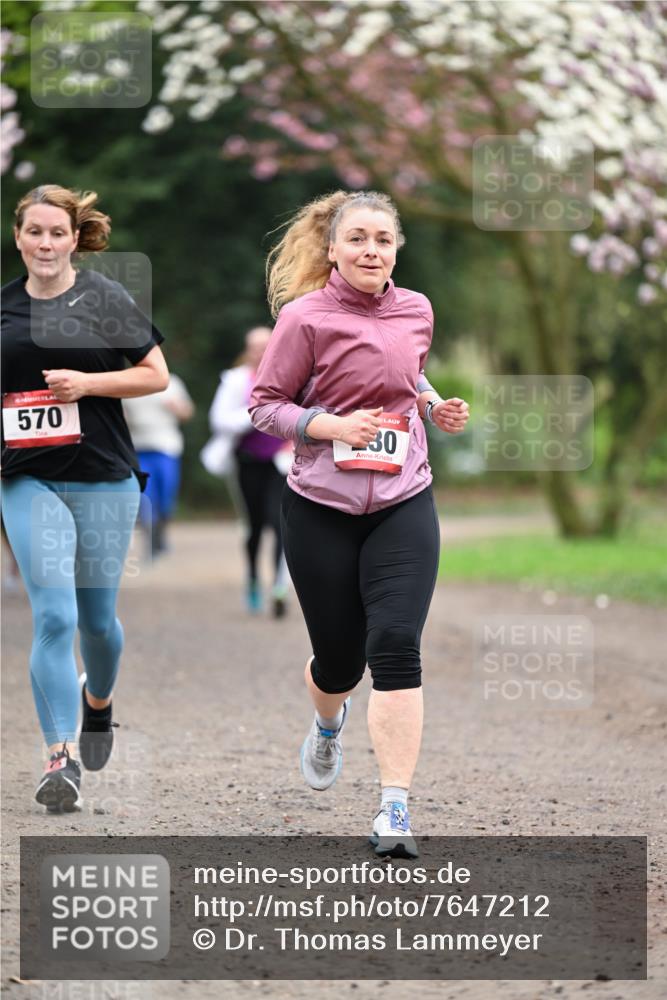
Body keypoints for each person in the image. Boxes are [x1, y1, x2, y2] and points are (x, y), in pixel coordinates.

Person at [250, 190, 469, 857]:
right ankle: (327, 724)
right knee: (341, 662)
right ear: (333, 248)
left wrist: (432, 407)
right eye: (358, 239)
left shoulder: (416, 309)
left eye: (382, 239)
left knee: (396, 643)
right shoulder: (304, 318)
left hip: (404, 498)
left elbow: (411, 377)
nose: (371, 250)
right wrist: (330, 426)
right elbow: (266, 406)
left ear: (396, 249)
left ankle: (394, 808)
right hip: (321, 505)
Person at [1, 185, 168, 812]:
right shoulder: (4, 308)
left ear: (74, 239)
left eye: (57, 233)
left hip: (102, 476)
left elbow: (156, 375)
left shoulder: (104, 297)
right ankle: (60, 756)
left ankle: (98, 701)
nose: (45, 243)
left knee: (97, 622)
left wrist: (88, 384)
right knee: (54, 617)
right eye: (34, 231)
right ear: (18, 237)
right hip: (27, 478)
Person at [203, 327, 291, 617]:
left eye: (266, 345)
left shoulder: (291, 373)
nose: (260, 352)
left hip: (281, 463)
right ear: (248, 350)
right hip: (248, 461)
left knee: (280, 524)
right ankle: (253, 576)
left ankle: (279, 586)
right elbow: (219, 420)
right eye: (255, 347)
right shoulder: (236, 380)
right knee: (254, 525)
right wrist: (256, 412)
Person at [123, 373, 194, 557]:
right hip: (138, 448)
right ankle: (151, 540)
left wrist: (177, 408)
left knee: (166, 497)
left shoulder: (172, 382)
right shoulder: (127, 381)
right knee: (145, 497)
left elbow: (187, 412)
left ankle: (161, 533)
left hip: (166, 447)